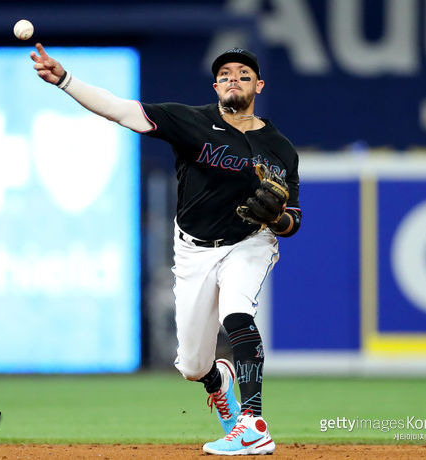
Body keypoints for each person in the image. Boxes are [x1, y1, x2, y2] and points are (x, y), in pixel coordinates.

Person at [31, 44, 301, 456]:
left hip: (249, 242)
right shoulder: (190, 121)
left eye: (243, 74)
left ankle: (253, 423)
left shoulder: (280, 148)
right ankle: (218, 382)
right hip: (193, 249)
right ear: (215, 85)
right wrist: (66, 80)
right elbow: (120, 110)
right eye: (225, 73)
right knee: (193, 366)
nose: (234, 78)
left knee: (237, 314)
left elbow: (293, 221)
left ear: (258, 86)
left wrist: (277, 219)